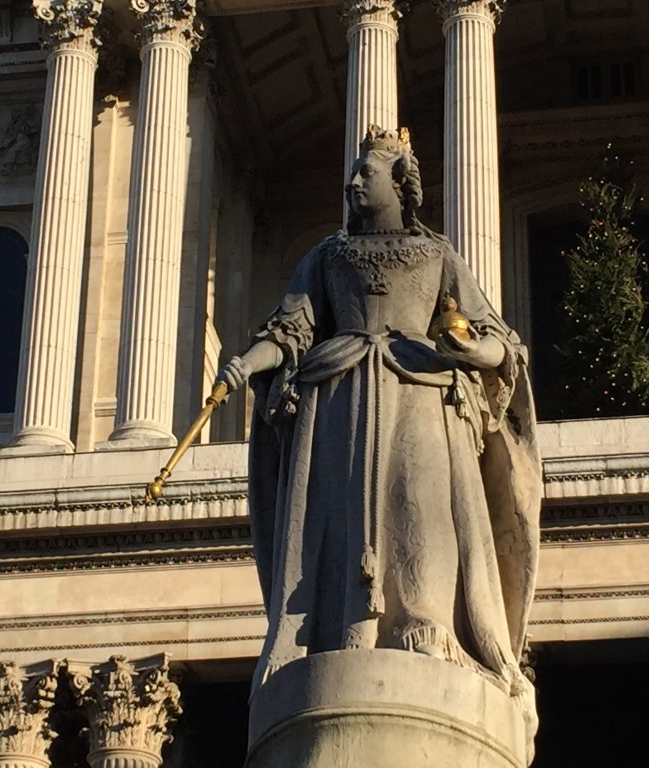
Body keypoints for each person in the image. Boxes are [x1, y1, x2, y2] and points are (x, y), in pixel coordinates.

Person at [218, 126, 542, 741]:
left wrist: (479, 355)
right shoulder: (326, 256)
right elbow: (290, 330)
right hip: (337, 396)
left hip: (419, 390)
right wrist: (246, 364)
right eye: (354, 173)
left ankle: (424, 625)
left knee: (418, 510)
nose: (353, 181)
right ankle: (343, 624)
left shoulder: (437, 254)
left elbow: (495, 336)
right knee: (337, 515)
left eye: (366, 172)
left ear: (400, 183)